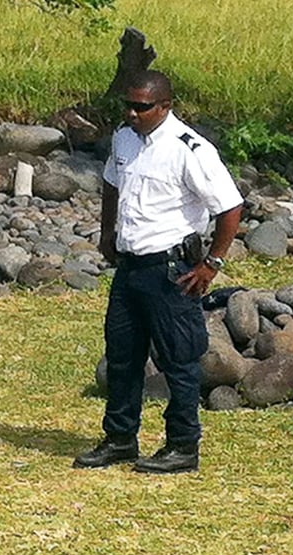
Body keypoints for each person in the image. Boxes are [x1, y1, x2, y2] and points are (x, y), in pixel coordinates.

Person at [74, 70, 243, 474]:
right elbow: (112, 182)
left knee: (179, 360)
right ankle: (120, 438)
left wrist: (212, 263)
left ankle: (183, 444)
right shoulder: (124, 138)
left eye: (141, 107)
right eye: (127, 105)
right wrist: (108, 230)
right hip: (130, 268)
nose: (132, 113)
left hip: (170, 268)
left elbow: (229, 207)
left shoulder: (190, 149)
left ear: (165, 106)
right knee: (122, 357)